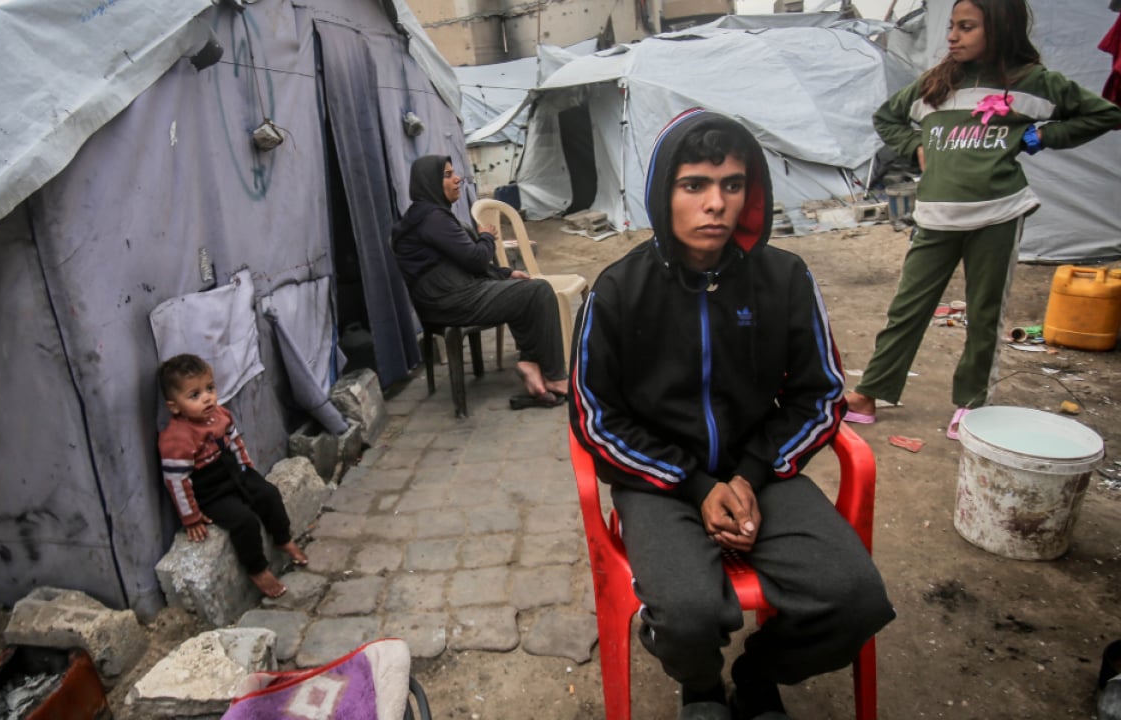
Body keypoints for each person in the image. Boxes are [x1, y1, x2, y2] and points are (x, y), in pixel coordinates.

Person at [568, 109, 894, 720]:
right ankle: (701, 686)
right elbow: (595, 417)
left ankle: (756, 674)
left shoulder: (785, 278)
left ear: (751, 193)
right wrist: (696, 485)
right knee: (687, 614)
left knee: (854, 599)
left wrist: (747, 475)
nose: (716, 204)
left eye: (732, 184)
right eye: (694, 185)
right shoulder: (616, 291)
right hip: (661, 483)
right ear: (664, 192)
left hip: (761, 474)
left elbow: (821, 393)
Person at [845, 0, 1121, 438]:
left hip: (998, 215)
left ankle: (971, 404)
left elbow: (1105, 113)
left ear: (999, 29)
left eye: (967, 27)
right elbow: (887, 117)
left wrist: (1041, 135)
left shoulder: (1032, 83)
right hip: (936, 216)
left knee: (984, 313)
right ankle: (869, 393)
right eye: (952, 26)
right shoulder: (934, 85)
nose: (952, 36)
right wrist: (915, 146)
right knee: (907, 309)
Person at [392, 154, 567, 408]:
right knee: (538, 292)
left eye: (454, 173)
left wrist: (506, 274)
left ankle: (531, 366)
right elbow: (475, 260)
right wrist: (486, 237)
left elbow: (459, 263)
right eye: (447, 175)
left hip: (447, 296)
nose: (457, 179)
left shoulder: (425, 216)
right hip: (450, 301)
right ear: (430, 182)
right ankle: (554, 377)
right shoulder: (433, 219)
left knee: (524, 290)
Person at [157, 354, 308, 600]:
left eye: (209, 388)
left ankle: (282, 537)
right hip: (209, 489)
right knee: (244, 521)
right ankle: (257, 569)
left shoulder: (220, 414)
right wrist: (191, 518)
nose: (207, 398)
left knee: (269, 494)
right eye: (194, 395)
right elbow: (177, 481)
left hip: (233, 471)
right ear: (174, 406)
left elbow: (234, 441)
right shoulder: (177, 439)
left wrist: (246, 467)